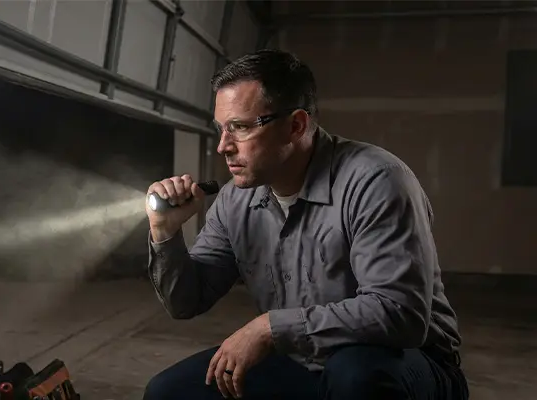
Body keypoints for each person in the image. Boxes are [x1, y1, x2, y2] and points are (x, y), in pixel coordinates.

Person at [142, 49, 469, 400]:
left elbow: (400, 313)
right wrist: (165, 231)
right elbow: (185, 302)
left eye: (239, 127)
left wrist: (269, 328)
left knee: (356, 374)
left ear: (295, 125)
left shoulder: (377, 180)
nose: (224, 146)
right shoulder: (235, 201)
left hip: (405, 363)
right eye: (221, 129)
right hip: (301, 359)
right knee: (167, 393)